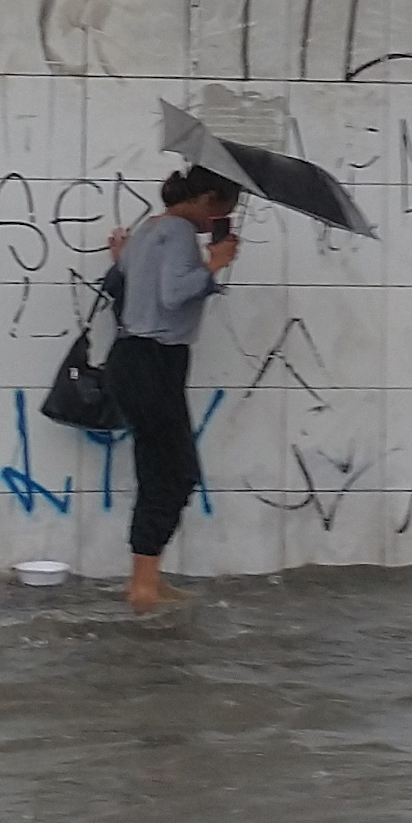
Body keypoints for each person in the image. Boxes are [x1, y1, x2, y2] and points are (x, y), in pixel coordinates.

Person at [103, 165, 242, 610]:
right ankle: (143, 585)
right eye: (221, 209)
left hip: (132, 358)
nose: (217, 220)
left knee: (159, 468)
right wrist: (214, 264)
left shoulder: (149, 229)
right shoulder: (181, 230)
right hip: (155, 360)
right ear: (206, 199)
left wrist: (126, 256)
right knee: (174, 472)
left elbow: (119, 284)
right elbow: (172, 294)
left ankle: (145, 578)